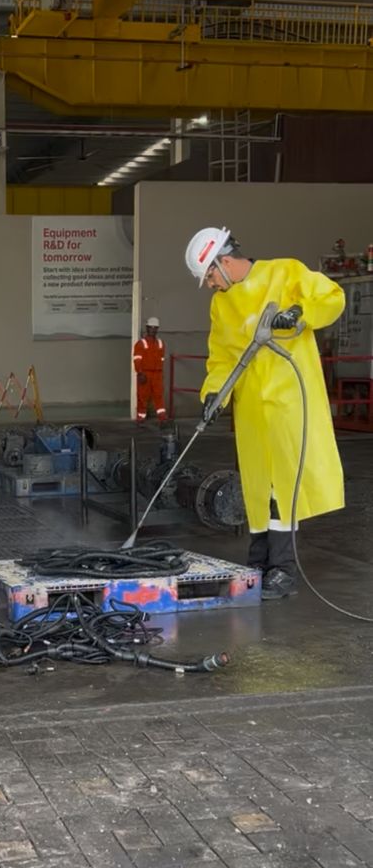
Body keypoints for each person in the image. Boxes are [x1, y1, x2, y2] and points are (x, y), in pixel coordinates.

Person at [185, 227, 345, 599]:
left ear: (224, 262)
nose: (210, 284)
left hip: (290, 401)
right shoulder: (222, 303)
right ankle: (258, 561)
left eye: (209, 275)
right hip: (252, 409)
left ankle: (284, 570)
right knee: (257, 487)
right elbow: (222, 355)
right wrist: (213, 393)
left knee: (283, 488)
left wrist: (299, 312)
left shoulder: (285, 273)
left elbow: (332, 298)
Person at [133, 315, 167, 422]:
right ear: (147, 328)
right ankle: (141, 418)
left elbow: (162, 359)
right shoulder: (140, 343)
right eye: (150, 327)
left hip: (157, 374)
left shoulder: (161, 344)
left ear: (157, 329)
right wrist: (140, 372)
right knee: (143, 396)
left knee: (159, 396)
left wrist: (161, 373)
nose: (152, 329)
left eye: (155, 327)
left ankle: (162, 418)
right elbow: (137, 359)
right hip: (145, 374)